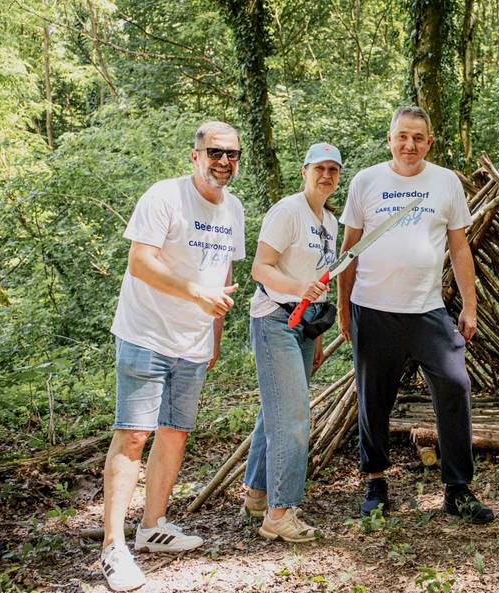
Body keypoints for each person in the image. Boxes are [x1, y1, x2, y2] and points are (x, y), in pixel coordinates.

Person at [99, 121, 246, 591]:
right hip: (146, 334)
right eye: (215, 152)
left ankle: (152, 527)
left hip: (194, 341)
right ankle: (113, 548)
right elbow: (140, 261)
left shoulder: (234, 210)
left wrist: (214, 333)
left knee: (175, 433)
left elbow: (221, 275)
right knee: (135, 434)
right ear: (195, 155)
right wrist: (195, 294)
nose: (224, 161)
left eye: (232, 154)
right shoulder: (164, 196)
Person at [338, 106, 494, 524]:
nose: (409, 145)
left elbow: (460, 248)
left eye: (418, 138)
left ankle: (457, 489)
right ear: (389, 139)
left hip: (427, 310)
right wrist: (343, 307)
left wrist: (470, 305)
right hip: (373, 309)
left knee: (455, 385)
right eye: (402, 136)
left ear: (429, 142)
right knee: (373, 399)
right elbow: (348, 250)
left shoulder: (444, 182)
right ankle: (375, 483)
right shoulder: (366, 181)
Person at [241, 143, 342, 542]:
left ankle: (258, 494)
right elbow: (259, 268)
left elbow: (317, 280)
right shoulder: (288, 211)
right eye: (320, 168)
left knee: (276, 412)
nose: (327, 176)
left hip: (303, 325)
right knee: (295, 416)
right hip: (275, 320)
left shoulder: (330, 223)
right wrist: (299, 288)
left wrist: (314, 333)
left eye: (334, 170)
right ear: (304, 170)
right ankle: (280, 514)